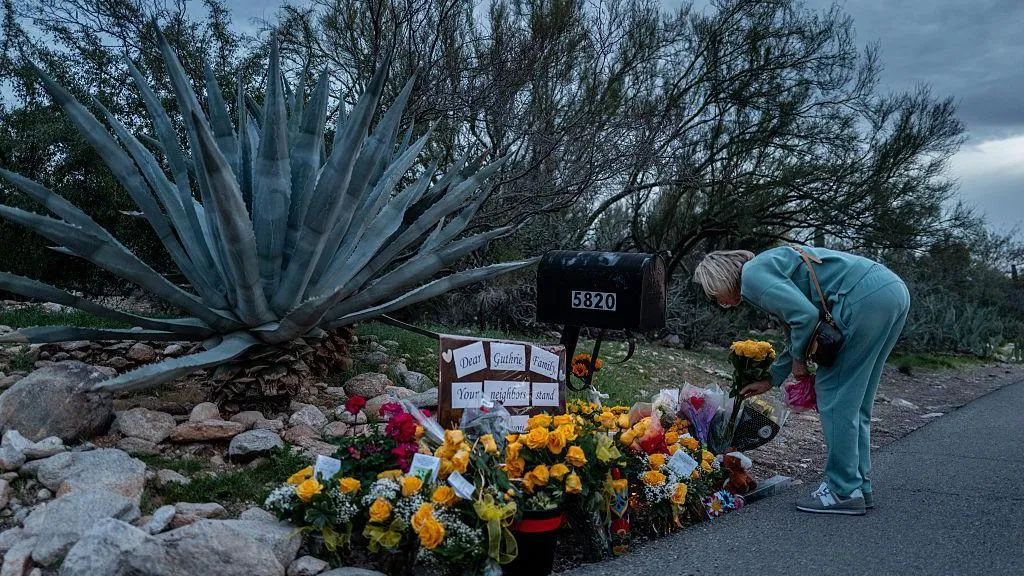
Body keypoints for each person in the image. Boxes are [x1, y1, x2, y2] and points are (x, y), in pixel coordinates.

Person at [693, 245, 910, 515]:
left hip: (862, 298)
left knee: (834, 396)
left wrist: (799, 363)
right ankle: (858, 486)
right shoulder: (767, 265)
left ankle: (842, 491)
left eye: (715, 294)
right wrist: (773, 377)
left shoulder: (752, 276)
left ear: (720, 277)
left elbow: (805, 318)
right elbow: (800, 323)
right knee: (857, 401)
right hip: (891, 291)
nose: (719, 302)